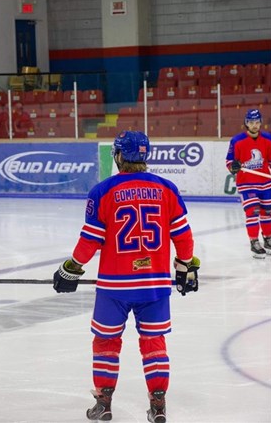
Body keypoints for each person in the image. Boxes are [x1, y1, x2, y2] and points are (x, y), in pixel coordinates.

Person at [53, 130, 200, 423]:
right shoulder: (167, 189)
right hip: (154, 285)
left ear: (119, 155)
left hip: (114, 287)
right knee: (154, 342)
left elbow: (90, 240)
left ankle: (104, 402)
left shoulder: (103, 191)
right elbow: (183, 237)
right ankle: (158, 404)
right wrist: (186, 266)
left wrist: (71, 267)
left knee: (106, 342)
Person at [225, 109, 271, 258]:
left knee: (267, 212)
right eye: (251, 122)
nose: (254, 125)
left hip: (266, 183)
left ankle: (268, 239)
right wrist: (233, 166)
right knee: (253, 212)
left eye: (257, 122)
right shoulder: (237, 140)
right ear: (246, 123)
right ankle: (254, 242)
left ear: (261, 123)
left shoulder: (268, 138)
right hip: (247, 184)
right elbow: (229, 162)